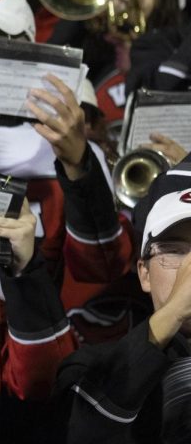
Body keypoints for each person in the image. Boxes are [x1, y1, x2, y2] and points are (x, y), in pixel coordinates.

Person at [56, 188, 191, 442]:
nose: (189, 269)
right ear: (145, 274)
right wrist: (173, 312)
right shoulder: (90, 368)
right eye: (175, 251)